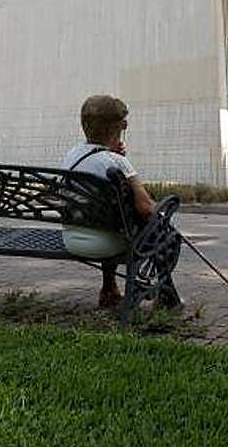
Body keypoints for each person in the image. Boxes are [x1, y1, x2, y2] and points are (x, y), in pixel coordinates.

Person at [62, 94, 157, 309]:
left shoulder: (72, 155)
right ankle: (166, 296)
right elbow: (146, 209)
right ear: (118, 127)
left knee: (111, 221)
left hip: (71, 240)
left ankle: (109, 290)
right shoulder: (117, 162)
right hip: (106, 245)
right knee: (161, 232)